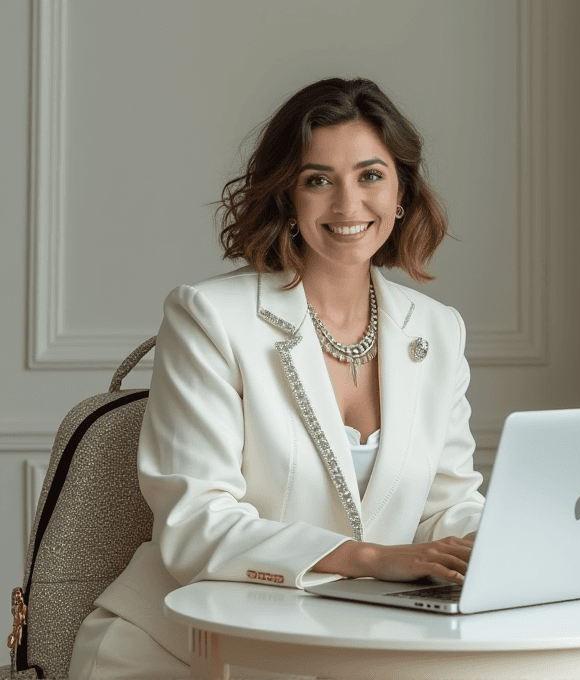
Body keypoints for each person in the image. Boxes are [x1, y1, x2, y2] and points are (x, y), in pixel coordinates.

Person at [68, 76, 485, 680]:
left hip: (344, 650)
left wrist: (508, 553)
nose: (348, 206)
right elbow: (196, 527)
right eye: (318, 180)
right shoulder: (209, 317)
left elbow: (447, 507)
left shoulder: (438, 330)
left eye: (370, 175)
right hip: (183, 651)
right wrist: (371, 559)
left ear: (401, 193)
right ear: (287, 197)